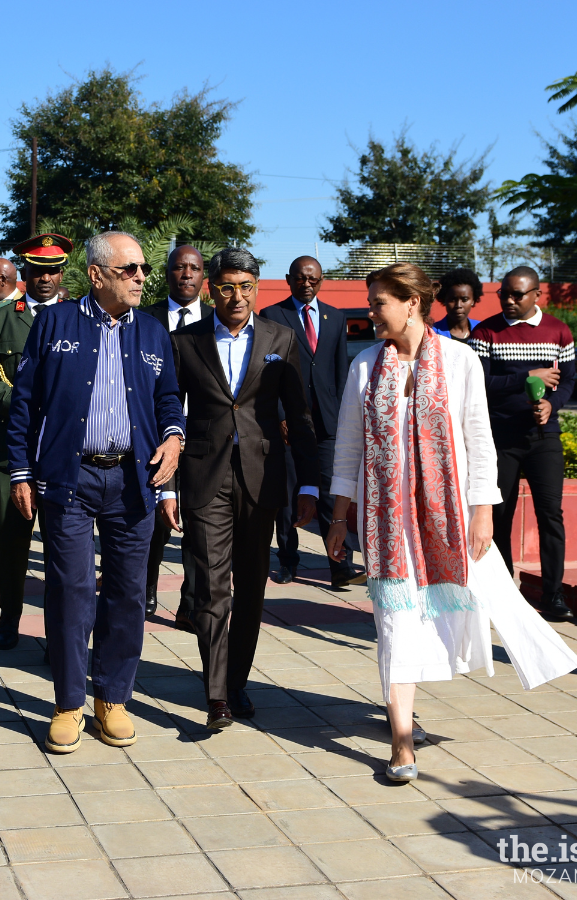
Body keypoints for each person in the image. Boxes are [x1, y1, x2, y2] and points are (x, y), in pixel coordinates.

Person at [327, 263, 577, 783]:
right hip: (386, 521)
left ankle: (406, 715)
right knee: (394, 622)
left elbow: (478, 438)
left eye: (380, 303)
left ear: (412, 305)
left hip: (446, 518)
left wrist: (483, 510)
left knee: (445, 614)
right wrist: (339, 514)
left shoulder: (460, 360)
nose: (372, 312)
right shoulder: (364, 368)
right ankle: (401, 741)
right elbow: (349, 446)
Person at [7, 231, 185, 753]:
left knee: (129, 592)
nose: (140, 278)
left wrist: (173, 438)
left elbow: (169, 398)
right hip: (70, 478)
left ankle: (114, 697)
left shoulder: (152, 332)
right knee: (71, 591)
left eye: (143, 270)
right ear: (97, 274)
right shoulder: (54, 324)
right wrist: (20, 471)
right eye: (129, 269)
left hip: (134, 480)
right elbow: (25, 404)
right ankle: (68, 702)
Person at [161, 248, 319, 728]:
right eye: (226, 286)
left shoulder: (282, 338)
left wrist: (309, 483)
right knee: (211, 587)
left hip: (262, 478)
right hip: (204, 477)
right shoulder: (185, 341)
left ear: (257, 288)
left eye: (246, 286)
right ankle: (216, 697)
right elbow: (168, 412)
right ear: (211, 288)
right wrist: (166, 488)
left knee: (251, 589)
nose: (236, 296)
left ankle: (237, 682)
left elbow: (300, 415)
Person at [0, 235, 71, 650]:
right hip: (8, 447)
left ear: (62, 273)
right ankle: (9, 616)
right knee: (9, 542)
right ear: (23, 273)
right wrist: (28, 402)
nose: (45, 278)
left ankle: (57, 632)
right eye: (36, 270)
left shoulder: (79, 317)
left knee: (62, 549)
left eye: (52, 270)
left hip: (61, 448)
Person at [470, 266, 576, 623]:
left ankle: (553, 594)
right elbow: (479, 383)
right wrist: (527, 376)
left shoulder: (559, 331)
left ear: (537, 296)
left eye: (518, 294)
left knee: (551, 516)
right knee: (499, 515)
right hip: (500, 438)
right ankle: (502, 593)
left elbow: (571, 382)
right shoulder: (485, 332)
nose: (510, 300)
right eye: (504, 294)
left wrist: (552, 404)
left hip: (544, 438)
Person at [259, 256, 357, 586]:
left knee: (332, 493)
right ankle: (288, 560)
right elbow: (266, 373)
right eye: (300, 278)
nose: (307, 283)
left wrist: (345, 418)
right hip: (290, 423)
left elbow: (341, 372)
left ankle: (340, 565)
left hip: (329, 424)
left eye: (313, 279)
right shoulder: (272, 316)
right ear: (289, 279)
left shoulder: (335, 317)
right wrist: (281, 417)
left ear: (322, 280)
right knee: (288, 495)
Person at [141, 245, 205, 630]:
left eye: (193, 268)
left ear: (203, 277)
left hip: (202, 439)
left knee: (198, 527)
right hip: (152, 436)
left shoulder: (216, 321)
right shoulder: (143, 319)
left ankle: (190, 603)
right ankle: (146, 591)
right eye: (178, 268)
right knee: (153, 524)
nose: (185, 274)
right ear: (166, 274)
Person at [431, 268, 482, 341]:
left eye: (464, 300)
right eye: (452, 299)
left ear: (473, 300)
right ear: (444, 299)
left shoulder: (482, 329)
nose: (458, 305)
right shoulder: (431, 332)